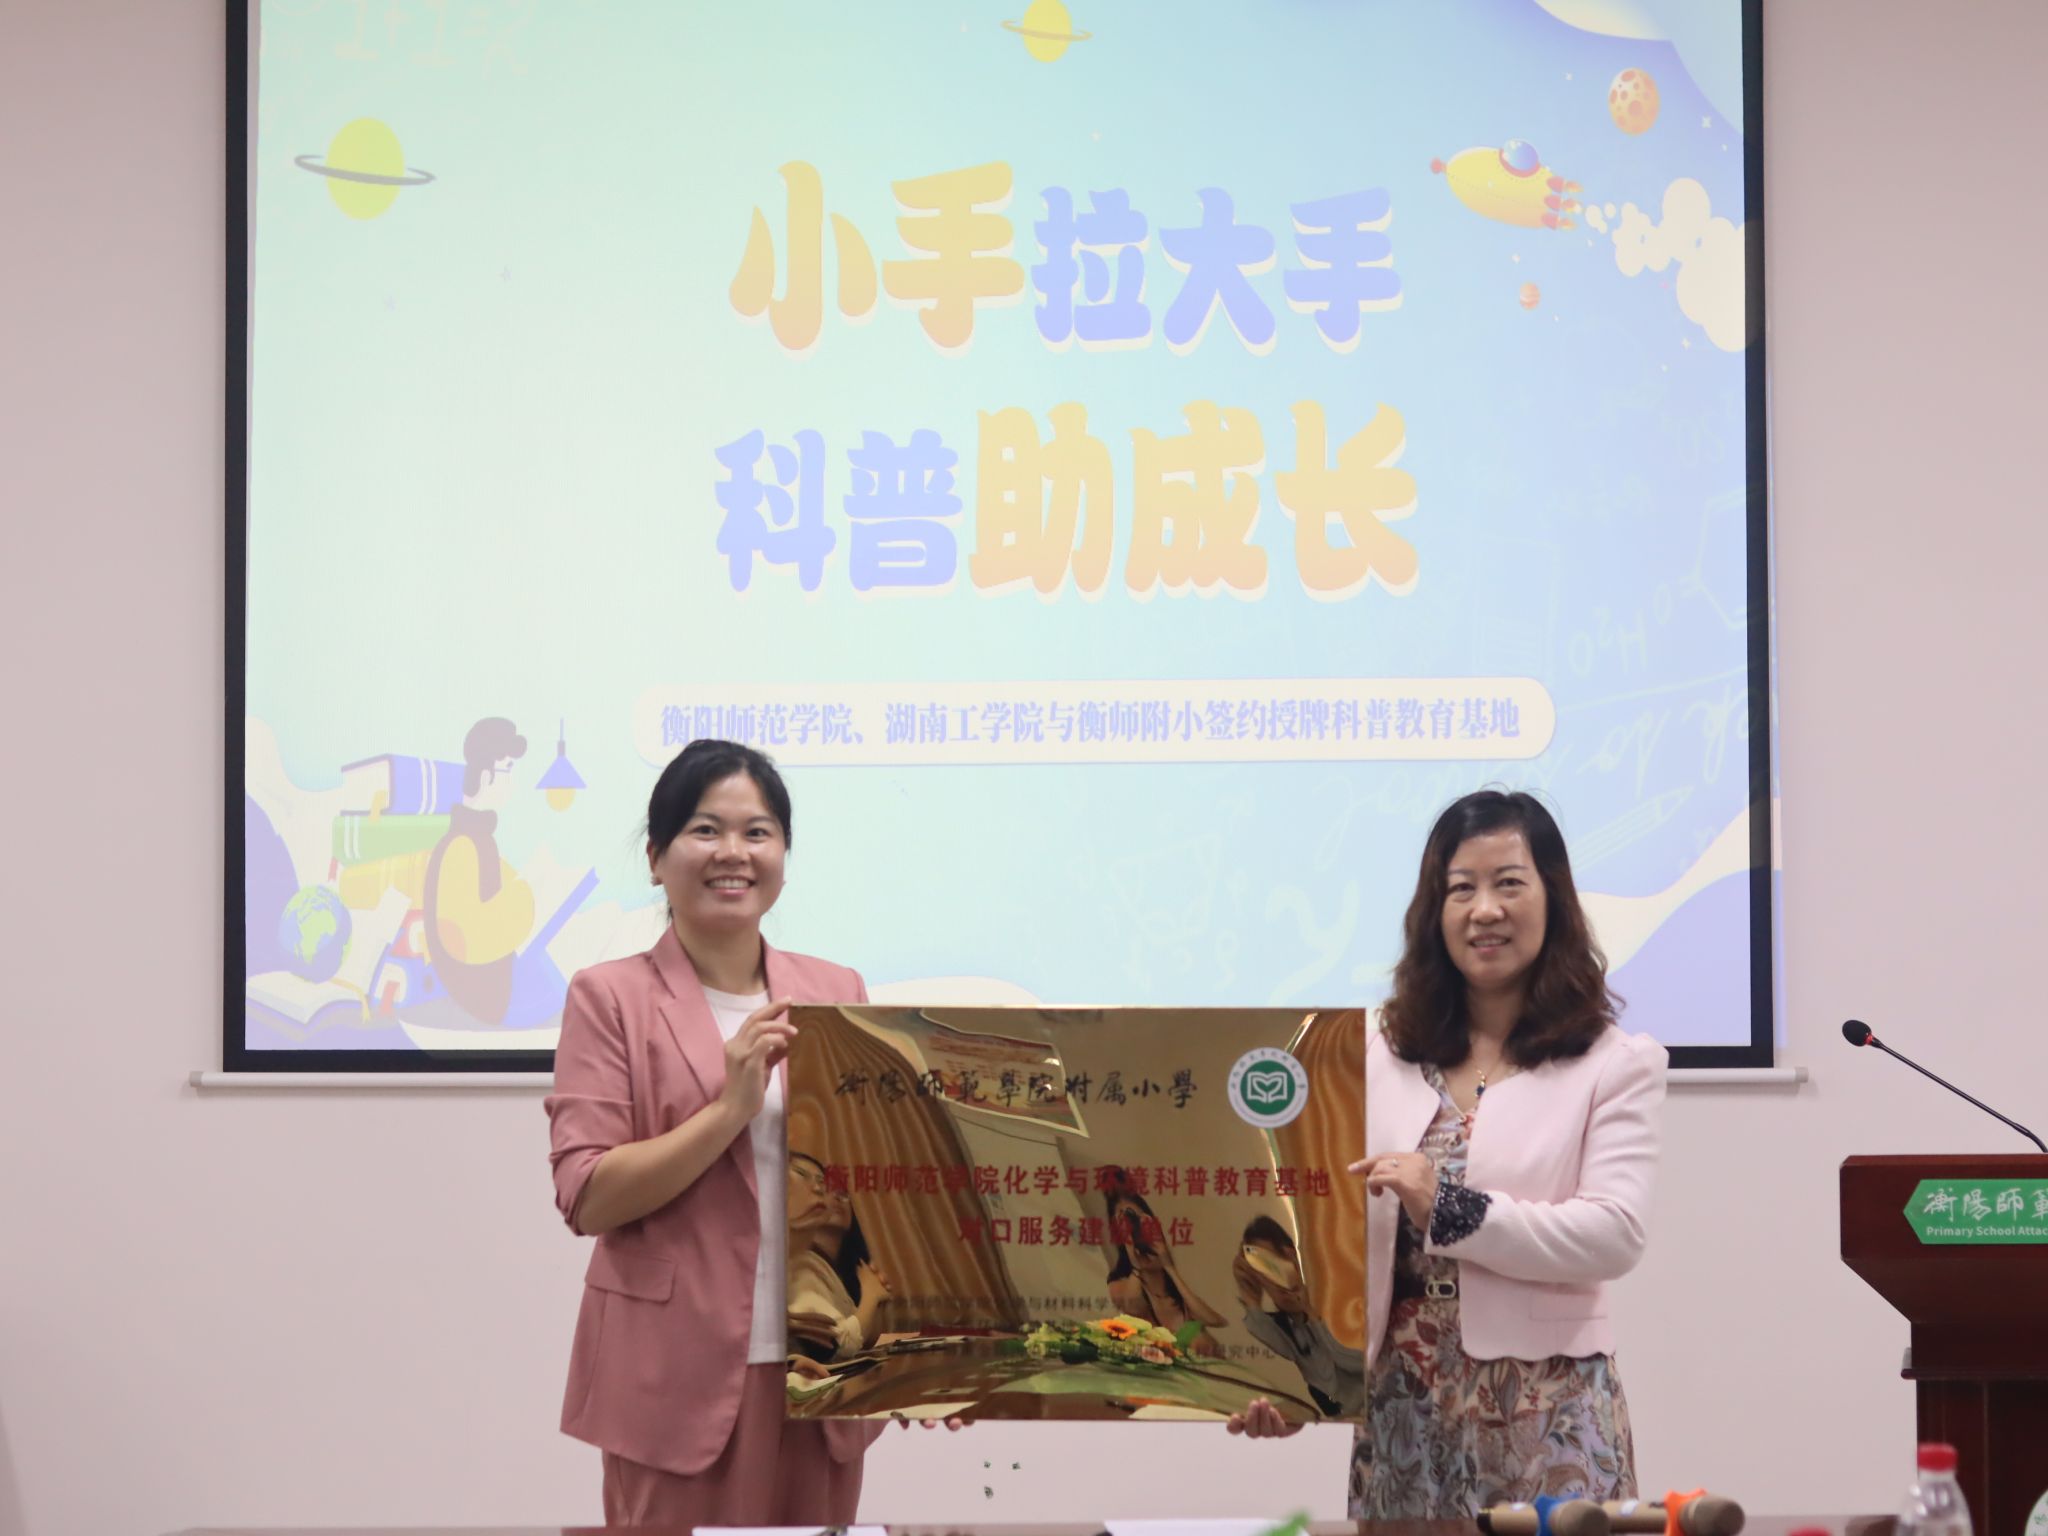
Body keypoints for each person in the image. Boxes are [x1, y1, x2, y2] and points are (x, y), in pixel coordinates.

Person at [1227, 789, 1667, 1518]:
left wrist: (1449, 1207)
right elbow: (1326, 1238)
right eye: (1461, 889)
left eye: (1508, 883)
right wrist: (1296, 1383)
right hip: (1402, 1406)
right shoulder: (1372, 1055)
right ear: (1435, 911)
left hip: (1547, 1409)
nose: (1484, 910)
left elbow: (1612, 1234)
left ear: (1554, 899)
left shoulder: (1615, 1062)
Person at [545, 739, 919, 1527]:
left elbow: (878, 1191)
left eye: (757, 832)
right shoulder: (608, 998)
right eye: (705, 829)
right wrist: (728, 1110)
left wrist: (924, 1347)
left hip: (824, 1368)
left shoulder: (835, 990)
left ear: (783, 854)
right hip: (670, 1376)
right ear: (656, 858)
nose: (733, 853)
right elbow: (588, 1195)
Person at [423, 717, 534, 1024]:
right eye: (508, 769)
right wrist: (527, 898)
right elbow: (463, 939)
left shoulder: (479, 839)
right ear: (485, 776)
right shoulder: (461, 845)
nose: (513, 783)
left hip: (491, 998)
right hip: (476, 1004)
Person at [1231, 1215, 1364, 1417]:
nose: (1266, 1277)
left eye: (1268, 1263)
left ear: (1290, 1256)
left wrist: (1310, 1315)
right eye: (1256, 1268)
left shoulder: (1335, 1296)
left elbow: (1355, 1362)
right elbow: (1283, 1354)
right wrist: (1250, 1298)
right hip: (1331, 1418)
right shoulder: (1284, 1325)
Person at [1102, 1172, 1227, 1356]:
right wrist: (1137, 1266)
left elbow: (1215, 1321)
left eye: (1138, 1220)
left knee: (1201, 1340)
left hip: (1204, 1369)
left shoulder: (1172, 1287)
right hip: (1158, 1367)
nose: (1135, 1229)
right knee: (1196, 1340)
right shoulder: (1120, 1283)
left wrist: (1168, 1265)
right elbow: (1132, 1306)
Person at [786, 1151, 892, 1363]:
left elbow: (864, 1340)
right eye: (802, 1174)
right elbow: (838, 1343)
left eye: (843, 1194)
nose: (822, 1190)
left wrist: (877, 1297)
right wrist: (871, 1296)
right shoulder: (802, 1263)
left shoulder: (834, 1266)